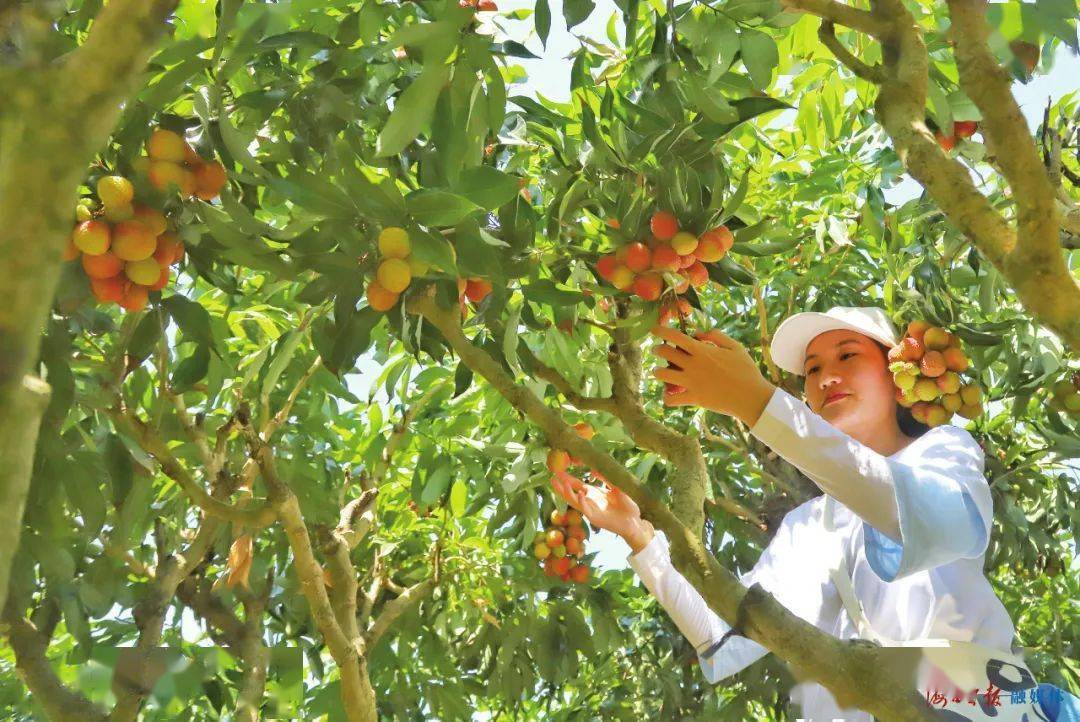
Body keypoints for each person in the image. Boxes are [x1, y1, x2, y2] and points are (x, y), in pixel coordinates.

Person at [552, 306, 1078, 721]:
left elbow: (928, 520)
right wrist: (641, 539)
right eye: (812, 369)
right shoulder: (809, 526)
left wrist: (756, 403)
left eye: (848, 356)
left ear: (898, 377)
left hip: (969, 702)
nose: (826, 377)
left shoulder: (944, 450)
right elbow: (726, 636)